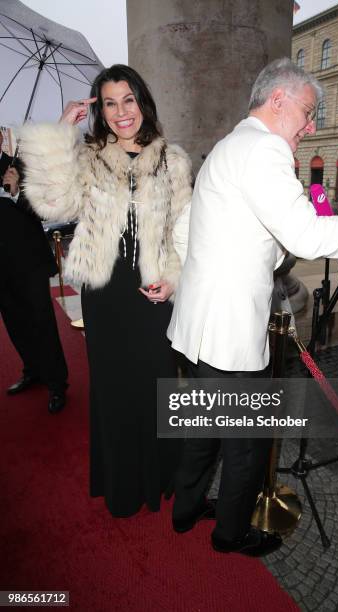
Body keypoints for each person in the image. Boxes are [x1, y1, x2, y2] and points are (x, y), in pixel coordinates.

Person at [167, 57, 338, 556]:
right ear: (279, 101)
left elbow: (186, 231)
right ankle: (230, 534)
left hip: (196, 327)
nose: (311, 124)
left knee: (204, 432)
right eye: (308, 111)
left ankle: (186, 509)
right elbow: (306, 235)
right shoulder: (264, 151)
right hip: (229, 336)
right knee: (246, 446)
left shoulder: (228, 147)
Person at [19, 65, 192, 518]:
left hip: (153, 291)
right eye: (110, 103)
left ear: (143, 102)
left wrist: (174, 279)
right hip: (106, 294)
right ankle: (122, 485)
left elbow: (185, 231)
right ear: (101, 110)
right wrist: (61, 133)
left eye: (128, 100)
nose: (120, 112)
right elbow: (52, 204)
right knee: (113, 390)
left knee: (156, 385)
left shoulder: (171, 159)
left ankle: (158, 477)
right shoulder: (89, 157)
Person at [0, 132, 68, 413]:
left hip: (28, 262)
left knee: (41, 323)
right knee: (15, 323)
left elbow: (44, 211)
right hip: (1, 266)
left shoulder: (19, 165)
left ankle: (56, 382)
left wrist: (15, 191)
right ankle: (33, 370)